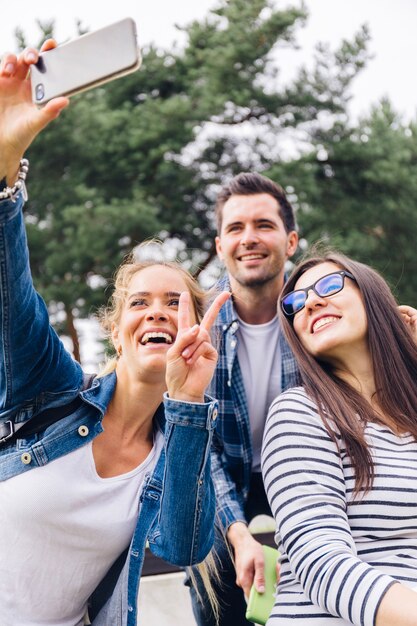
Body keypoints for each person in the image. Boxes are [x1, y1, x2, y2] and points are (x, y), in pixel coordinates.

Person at [0, 43, 230, 626]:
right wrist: (4, 171)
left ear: (198, 330)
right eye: (140, 303)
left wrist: (188, 400)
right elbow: (11, 297)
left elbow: (184, 546)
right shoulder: (50, 390)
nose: (157, 313)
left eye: (176, 304)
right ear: (116, 329)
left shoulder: (177, 446)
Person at [262, 250, 417, 625]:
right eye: (295, 303)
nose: (311, 302)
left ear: (374, 298)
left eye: (330, 285)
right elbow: (323, 565)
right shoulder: (298, 412)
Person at [187, 172, 300, 625]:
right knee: (212, 558)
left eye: (264, 225)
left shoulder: (318, 311)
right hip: (225, 470)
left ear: (290, 241)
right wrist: (238, 533)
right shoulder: (198, 323)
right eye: (235, 228)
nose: (249, 239)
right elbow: (201, 445)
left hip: (303, 467)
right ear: (219, 246)